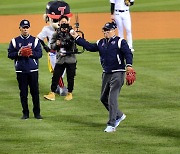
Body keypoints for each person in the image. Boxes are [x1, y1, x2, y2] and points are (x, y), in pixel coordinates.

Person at [70, 22, 136, 132]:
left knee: (112, 98)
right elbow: (90, 47)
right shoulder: (101, 42)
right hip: (106, 73)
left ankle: (112, 124)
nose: (106, 32)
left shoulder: (120, 41)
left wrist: (129, 65)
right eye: (104, 30)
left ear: (114, 30)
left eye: (108, 30)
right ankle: (119, 115)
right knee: (103, 98)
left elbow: (128, 53)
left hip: (118, 72)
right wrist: (76, 37)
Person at [7, 19, 43, 120]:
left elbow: (39, 54)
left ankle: (37, 113)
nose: (25, 29)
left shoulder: (35, 40)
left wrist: (30, 53)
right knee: (23, 93)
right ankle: (25, 113)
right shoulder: (14, 41)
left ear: (29, 28)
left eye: (27, 27)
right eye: (23, 27)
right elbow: (10, 54)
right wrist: (19, 53)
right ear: (20, 28)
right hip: (21, 71)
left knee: (35, 93)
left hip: (33, 70)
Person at [37, 1, 69, 96]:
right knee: (57, 71)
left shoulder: (66, 29)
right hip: (53, 54)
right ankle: (62, 88)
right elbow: (38, 38)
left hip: (64, 53)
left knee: (61, 73)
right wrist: (45, 47)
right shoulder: (47, 29)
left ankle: (56, 87)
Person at [44, 16, 77, 101]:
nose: (63, 23)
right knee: (56, 76)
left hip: (70, 59)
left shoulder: (72, 32)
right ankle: (52, 93)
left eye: (65, 22)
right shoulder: (56, 34)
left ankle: (69, 93)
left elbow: (74, 45)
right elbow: (51, 46)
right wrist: (57, 44)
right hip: (60, 59)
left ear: (68, 22)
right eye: (62, 22)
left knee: (70, 77)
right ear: (59, 23)